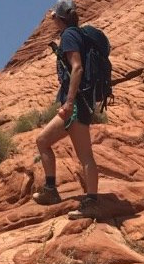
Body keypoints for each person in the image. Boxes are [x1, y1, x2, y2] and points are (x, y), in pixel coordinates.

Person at [33, 0, 100, 220]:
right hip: (77, 104)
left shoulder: (69, 35)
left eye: (53, 17)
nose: (51, 20)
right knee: (43, 140)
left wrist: (69, 101)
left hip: (76, 105)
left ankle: (91, 202)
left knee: (85, 156)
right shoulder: (77, 34)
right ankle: (51, 190)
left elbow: (77, 67)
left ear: (60, 18)